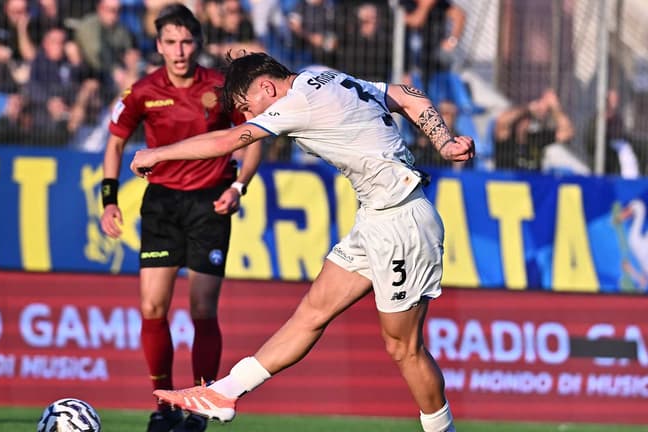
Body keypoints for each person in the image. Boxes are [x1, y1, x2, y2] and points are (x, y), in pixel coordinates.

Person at [132, 52, 473, 432]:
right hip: (377, 217)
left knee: (403, 348)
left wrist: (158, 154)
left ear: (266, 87)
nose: (248, 117)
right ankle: (224, 392)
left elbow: (230, 140)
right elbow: (409, 95)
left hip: (401, 223)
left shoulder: (298, 100)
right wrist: (443, 142)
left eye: (247, 107)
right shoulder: (323, 78)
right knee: (312, 312)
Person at [98, 4, 262, 432]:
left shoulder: (221, 87)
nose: (179, 50)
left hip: (210, 205)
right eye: (170, 42)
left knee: (202, 310)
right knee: (153, 308)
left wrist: (238, 186)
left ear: (198, 43)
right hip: (162, 205)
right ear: (159, 46)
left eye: (186, 41)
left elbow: (255, 137)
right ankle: (163, 403)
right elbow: (115, 144)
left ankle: (201, 402)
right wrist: (109, 200)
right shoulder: (142, 90)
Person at [493, 88, 575, 172]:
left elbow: (567, 133)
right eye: (523, 118)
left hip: (533, 184)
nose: (526, 122)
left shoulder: (536, 139)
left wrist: (554, 106)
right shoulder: (506, 138)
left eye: (530, 118)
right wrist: (529, 109)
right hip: (507, 183)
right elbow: (501, 121)